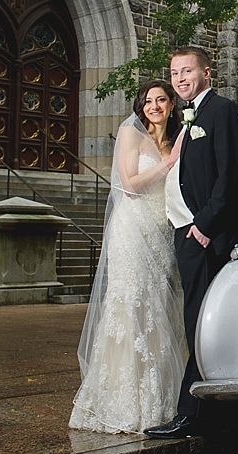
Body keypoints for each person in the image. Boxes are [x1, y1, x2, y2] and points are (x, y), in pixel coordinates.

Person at [144, 46, 238, 439]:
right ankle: (212, 411)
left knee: (202, 323)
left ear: (206, 72)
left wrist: (204, 226)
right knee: (197, 320)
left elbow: (230, 176)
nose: (179, 79)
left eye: (186, 71)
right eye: (174, 73)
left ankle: (192, 414)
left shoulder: (222, 111)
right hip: (188, 231)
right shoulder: (188, 116)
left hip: (208, 234)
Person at [69, 79, 188, 434]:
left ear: (171, 105)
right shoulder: (131, 135)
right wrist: (168, 164)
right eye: (148, 101)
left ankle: (163, 397)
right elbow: (128, 184)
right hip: (132, 228)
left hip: (163, 229)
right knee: (132, 305)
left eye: (161, 100)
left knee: (161, 310)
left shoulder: (176, 138)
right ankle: (123, 400)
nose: (154, 106)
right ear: (141, 106)